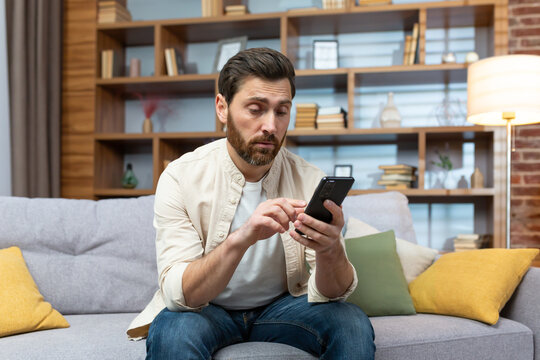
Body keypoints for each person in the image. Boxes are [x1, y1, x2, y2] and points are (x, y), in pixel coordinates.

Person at [134, 47, 375, 359]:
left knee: (352, 323)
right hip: (208, 309)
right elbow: (181, 294)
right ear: (222, 107)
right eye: (255, 109)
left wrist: (330, 250)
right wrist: (244, 236)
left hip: (283, 307)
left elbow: (333, 293)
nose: (271, 127)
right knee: (173, 330)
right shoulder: (180, 177)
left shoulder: (310, 179)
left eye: (281, 111)